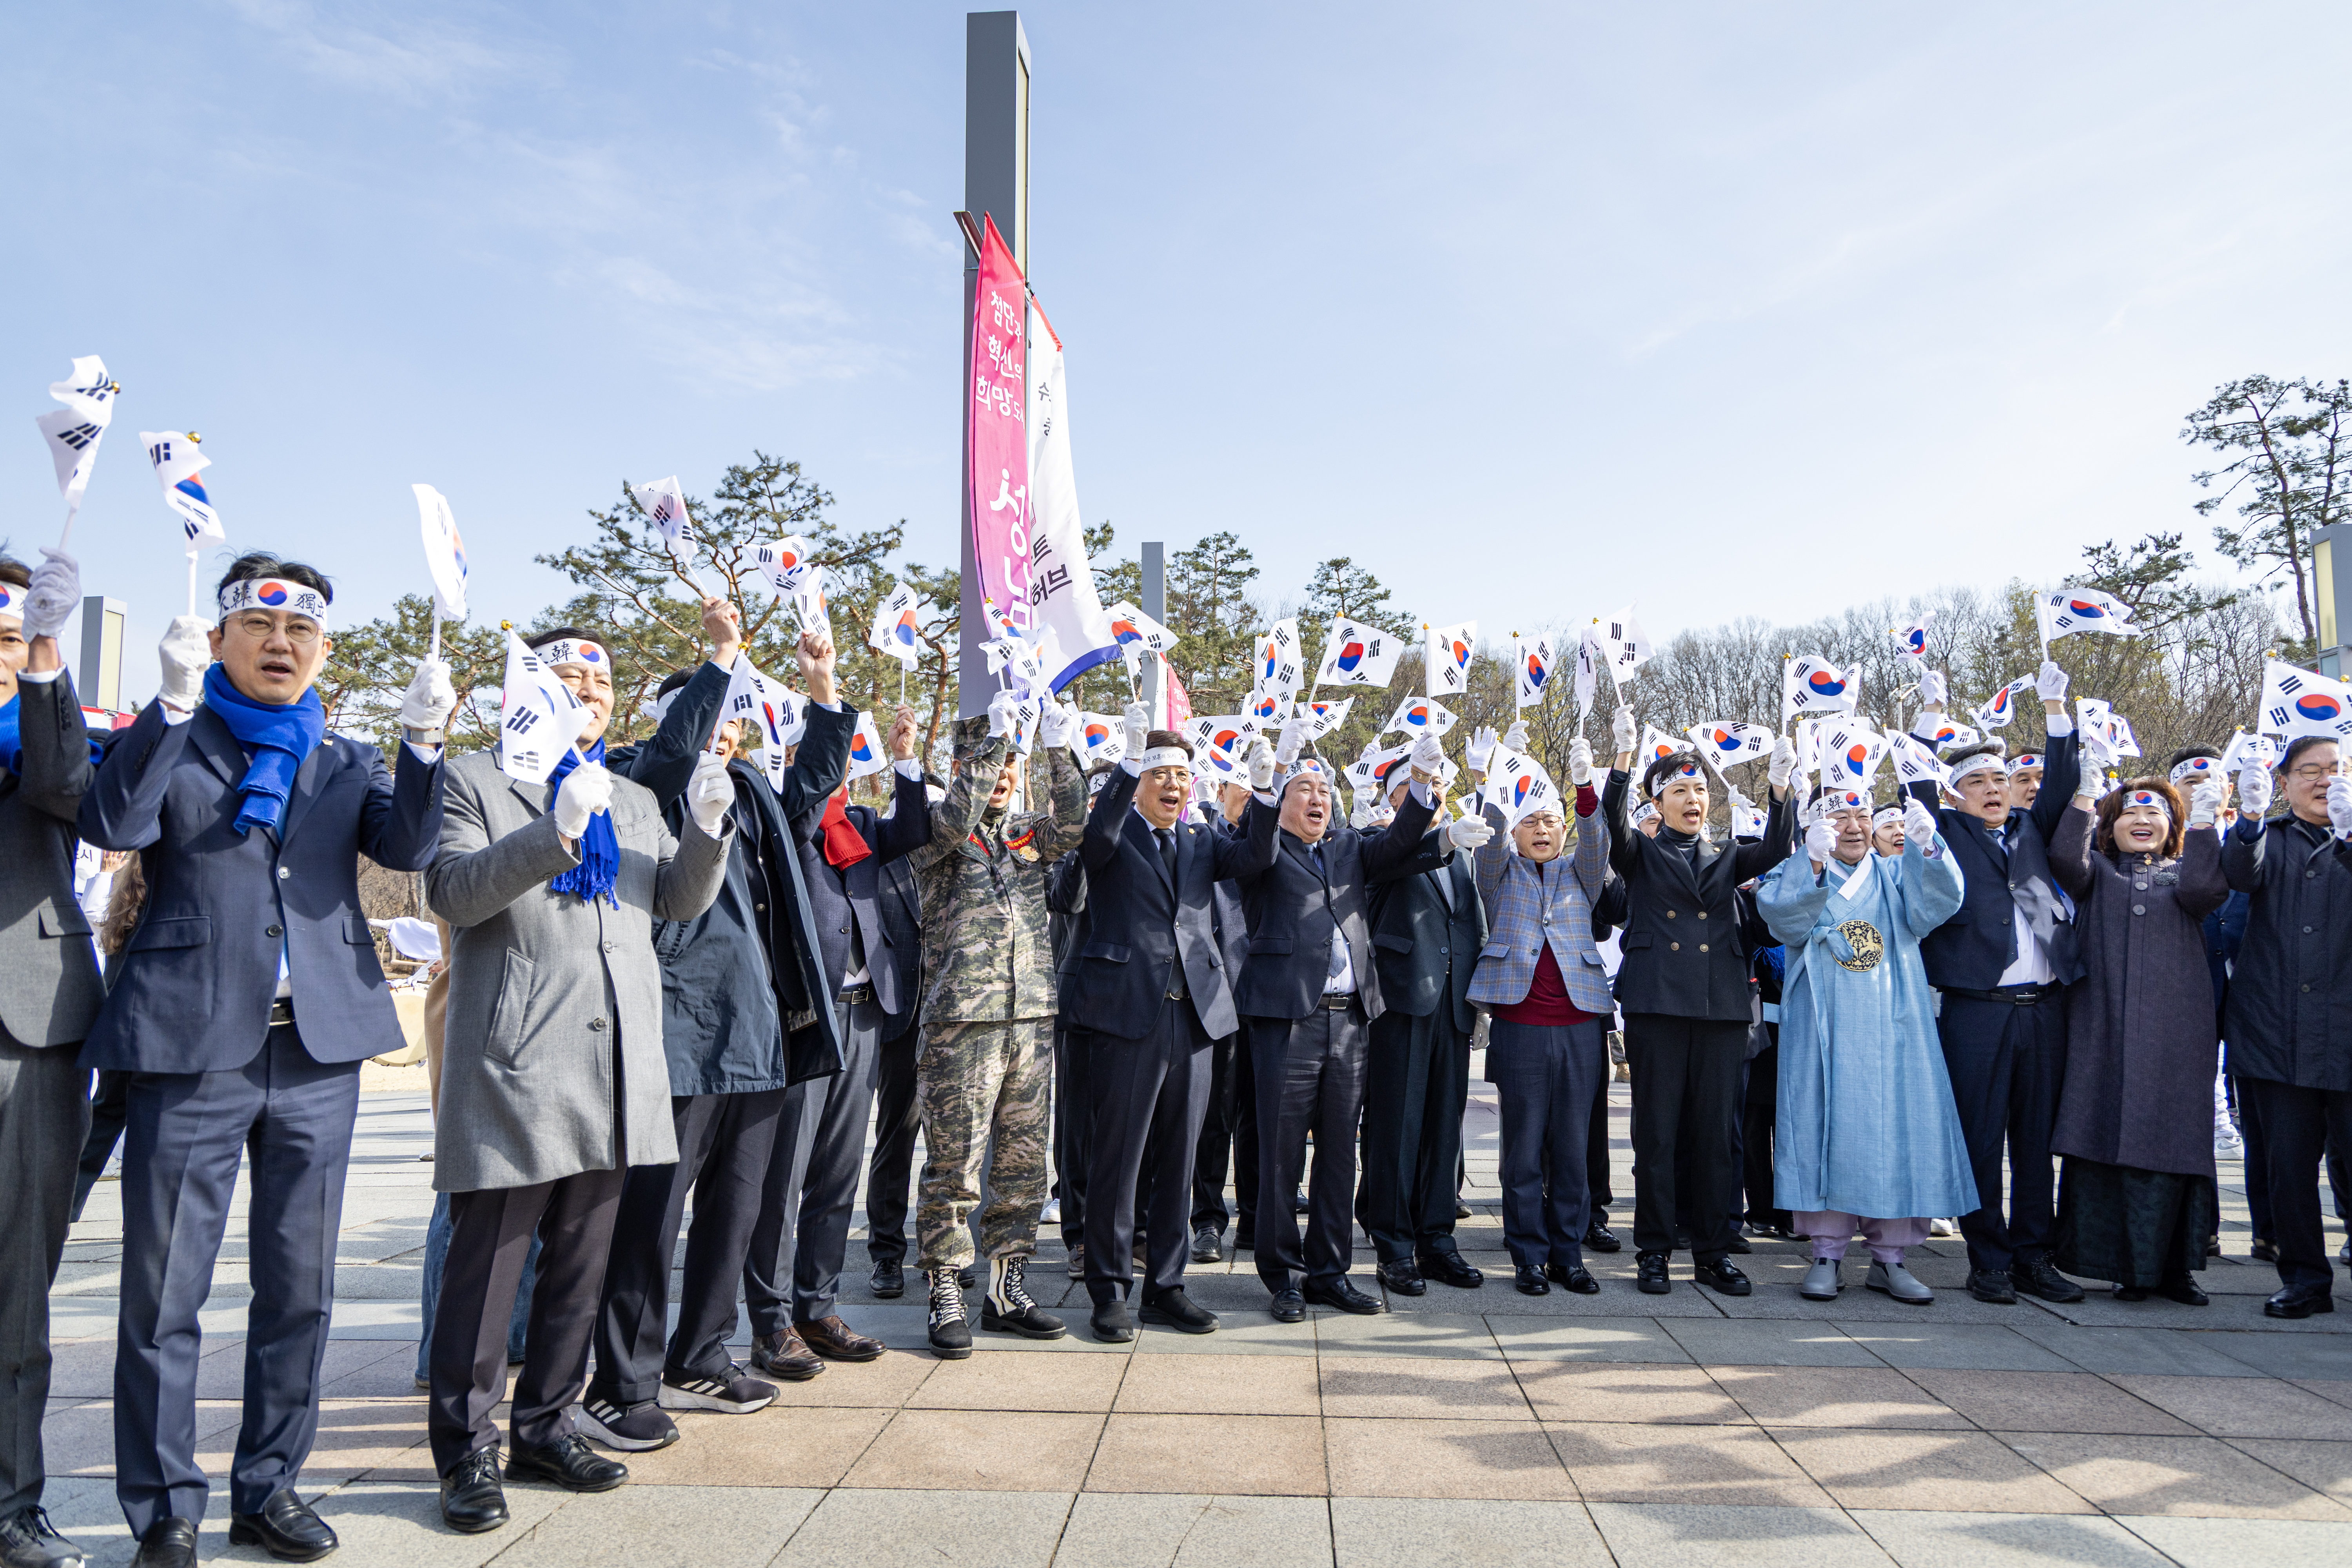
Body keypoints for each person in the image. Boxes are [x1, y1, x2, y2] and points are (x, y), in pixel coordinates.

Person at [79, 555, 449, 1567]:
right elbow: (112, 823)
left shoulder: (349, 757)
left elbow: (410, 851)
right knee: (165, 1296)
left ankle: (269, 1486)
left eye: (303, 636)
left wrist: (423, 744)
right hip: (191, 1044)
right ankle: (166, 1511)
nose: (282, 647)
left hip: (318, 1050)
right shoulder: (177, 737)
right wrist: (166, 701)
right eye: (261, 629)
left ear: (323, 649)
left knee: (301, 1288)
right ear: (223, 636)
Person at [423, 626, 732, 1532]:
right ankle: (466, 1447)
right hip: (519, 1056)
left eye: (603, 677)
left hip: (618, 1059)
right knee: (491, 1270)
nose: (592, 687)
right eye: (572, 674)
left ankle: (547, 1423)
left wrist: (707, 829)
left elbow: (672, 898)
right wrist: (555, 826)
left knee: (581, 1266)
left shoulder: (633, 794)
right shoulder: (476, 778)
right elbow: (452, 894)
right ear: (533, 689)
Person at [577, 611, 850, 1452]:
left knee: (734, 1212)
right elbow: (670, 757)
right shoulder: (637, 776)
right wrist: (719, 660)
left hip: (761, 1033)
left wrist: (822, 690)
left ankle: (700, 1353)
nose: (724, 728)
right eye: (711, 711)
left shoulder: (755, 791)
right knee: (651, 1218)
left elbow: (812, 780)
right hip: (682, 1035)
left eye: (734, 714)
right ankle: (622, 1381)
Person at [1230, 726, 1474, 1322]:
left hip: (1351, 1021)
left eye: (1325, 789)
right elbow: (1252, 842)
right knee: (1283, 1155)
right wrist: (1270, 777)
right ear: (1284, 801)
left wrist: (1421, 787)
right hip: (1287, 1018)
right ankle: (1283, 1276)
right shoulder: (1260, 848)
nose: (1319, 798)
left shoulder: (1347, 847)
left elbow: (1399, 845)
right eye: (1305, 788)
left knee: (1341, 1153)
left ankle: (1329, 1272)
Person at [1062, 710, 1279, 1340]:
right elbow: (1093, 840)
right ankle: (1109, 1290)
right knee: (1119, 1161)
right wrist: (1126, 764)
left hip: (1196, 1016)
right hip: (1128, 1015)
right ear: (1139, 781)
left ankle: (1167, 1285)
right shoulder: (1114, 831)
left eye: (1184, 776)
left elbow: (1258, 856)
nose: (1176, 785)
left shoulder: (1199, 840)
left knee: (1179, 1161)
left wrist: (1265, 793)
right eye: (1162, 774)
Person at [744, 683, 929, 1374]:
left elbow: (914, 831)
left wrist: (907, 758)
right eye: (824, 760)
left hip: (863, 1016)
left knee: (836, 1174)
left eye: (845, 761)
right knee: (783, 1179)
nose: (837, 771)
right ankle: (768, 1321)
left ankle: (816, 1307)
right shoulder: (782, 825)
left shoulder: (864, 826)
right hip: (805, 1020)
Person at [906, 698, 1086, 1357]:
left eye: (1013, 761)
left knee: (1021, 1166)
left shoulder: (1025, 836)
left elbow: (1074, 824)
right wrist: (997, 738)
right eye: (990, 761)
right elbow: (955, 816)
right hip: (963, 1024)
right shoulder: (935, 831)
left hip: (1031, 1020)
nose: (1004, 772)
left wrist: (1059, 748)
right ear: (961, 764)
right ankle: (946, 1286)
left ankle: (1008, 1286)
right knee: (953, 1168)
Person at [1903, 662, 2083, 1306]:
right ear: (1956, 795)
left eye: (2000, 780)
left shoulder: (2033, 829)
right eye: (1976, 781)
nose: (1992, 789)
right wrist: (1928, 719)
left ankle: (2037, 1255)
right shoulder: (1944, 831)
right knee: (1981, 1139)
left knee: (2036, 1140)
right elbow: (1914, 784)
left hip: (2043, 1008)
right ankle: (1991, 1260)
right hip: (1978, 1010)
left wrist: (2058, 706)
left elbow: (2062, 782)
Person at [1601, 708, 1796, 1297]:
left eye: (1699, 789)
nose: (1693, 799)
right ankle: (1654, 1252)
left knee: (1716, 1138)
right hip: (1658, 1008)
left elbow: (1778, 847)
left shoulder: (1729, 855)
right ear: (1657, 803)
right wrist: (1620, 762)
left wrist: (1781, 789)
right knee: (1657, 1137)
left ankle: (1713, 1252)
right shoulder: (1640, 853)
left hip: (1720, 1010)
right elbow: (1611, 827)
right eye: (1680, 790)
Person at [1759, 788, 1973, 1305]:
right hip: (1821, 1020)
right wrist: (1810, 860)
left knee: (1895, 1126)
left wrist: (1929, 849)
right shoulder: (1794, 869)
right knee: (1821, 1122)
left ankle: (1891, 1258)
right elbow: (1784, 922)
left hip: (1893, 1018)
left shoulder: (1896, 873)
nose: (1854, 826)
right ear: (1816, 823)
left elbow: (1936, 908)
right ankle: (1827, 1252)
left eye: (1863, 815)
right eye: (1839, 816)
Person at [0, 548, 105, 1568]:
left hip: (27, 1027)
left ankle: (10, 1508)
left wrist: (41, 665)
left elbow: (72, 791)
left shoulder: (45, 722)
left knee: (15, 1288)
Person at [2048, 775, 2230, 1304]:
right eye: (2129, 815)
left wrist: (2203, 822)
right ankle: (2122, 1267)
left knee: (2174, 1143)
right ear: (2111, 828)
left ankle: (2177, 1270)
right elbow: (2065, 858)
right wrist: (2084, 792)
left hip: (2178, 1038)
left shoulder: (2185, 875)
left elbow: (2205, 891)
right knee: (2104, 1136)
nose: (2143, 823)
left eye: (2156, 816)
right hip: (2103, 1033)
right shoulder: (2098, 874)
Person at [1464, 726, 1608, 1295]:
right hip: (1521, 1029)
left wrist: (1583, 785)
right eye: (1532, 821)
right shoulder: (1500, 875)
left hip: (1580, 1026)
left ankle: (1567, 1254)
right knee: (1522, 1148)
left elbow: (1597, 842)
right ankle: (1527, 1253)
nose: (1542, 829)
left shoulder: (1582, 872)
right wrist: (1499, 783)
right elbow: (1491, 843)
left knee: (1573, 1146)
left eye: (1551, 820)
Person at [2221, 733, 2352, 1318]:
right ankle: (2304, 1277)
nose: (2324, 781)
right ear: (2285, 781)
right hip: (2275, 1033)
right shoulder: (2267, 840)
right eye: (2310, 771)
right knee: (2288, 1167)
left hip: (2346, 1033)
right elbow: (2237, 876)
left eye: (2337, 770)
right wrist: (2248, 818)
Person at [1361, 733, 1495, 1296]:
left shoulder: (1458, 848)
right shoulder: (1376, 842)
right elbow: (1400, 852)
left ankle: (1437, 1239)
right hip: (1401, 1002)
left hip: (1450, 1005)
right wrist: (1433, 822)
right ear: (1395, 799)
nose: (1436, 793)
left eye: (1441, 785)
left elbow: (1472, 920)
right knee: (1398, 1125)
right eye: (1420, 786)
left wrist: (1480, 996)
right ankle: (1393, 1245)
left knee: (1444, 1128)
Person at [862, 776, 935, 1293]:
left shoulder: (955, 858)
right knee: (896, 1136)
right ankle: (887, 1252)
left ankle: (945, 1254)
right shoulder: (878, 859)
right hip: (901, 1019)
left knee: (956, 1146)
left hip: (955, 1017)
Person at [1190, 777, 1258, 1264]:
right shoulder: (1205, 833)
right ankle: (1208, 1219)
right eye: (1241, 780)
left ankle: (1255, 1217)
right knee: (1214, 1118)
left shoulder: (1273, 835)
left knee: (1258, 1119)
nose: (1251, 791)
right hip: (1215, 995)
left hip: (1266, 997)